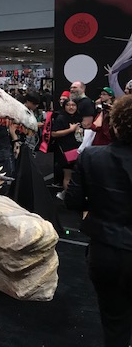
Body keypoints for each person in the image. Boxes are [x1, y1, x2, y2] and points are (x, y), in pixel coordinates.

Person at [65, 95, 132, 347]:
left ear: (115, 125)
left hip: (105, 252)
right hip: (109, 248)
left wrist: (98, 201)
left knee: (114, 323)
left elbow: (72, 201)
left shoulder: (92, 157)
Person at [51, 99, 82, 200]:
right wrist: (70, 130)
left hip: (78, 149)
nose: (71, 107)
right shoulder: (61, 118)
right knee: (68, 175)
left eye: (73, 105)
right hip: (65, 150)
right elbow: (54, 133)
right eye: (68, 105)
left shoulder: (79, 117)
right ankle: (68, 197)